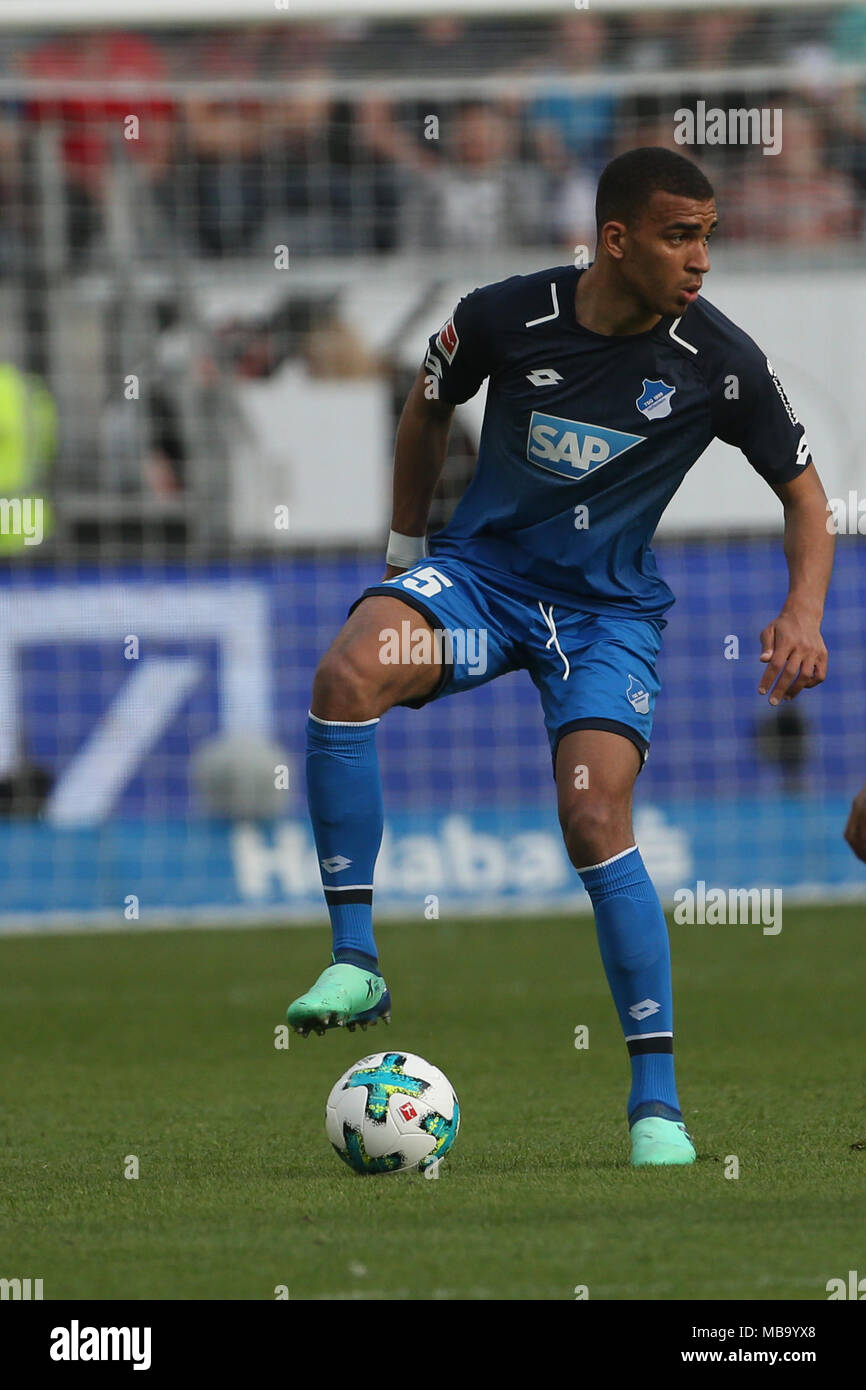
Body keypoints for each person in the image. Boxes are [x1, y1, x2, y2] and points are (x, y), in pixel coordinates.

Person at [288, 147, 833, 1167]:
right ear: (616, 240)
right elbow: (426, 401)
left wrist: (800, 611)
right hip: (484, 583)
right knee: (345, 672)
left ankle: (655, 1107)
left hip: (605, 618)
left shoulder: (719, 363)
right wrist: (405, 556)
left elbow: (804, 494)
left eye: (706, 236)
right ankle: (355, 958)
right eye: (679, 236)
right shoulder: (503, 316)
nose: (699, 258)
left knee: (591, 814)